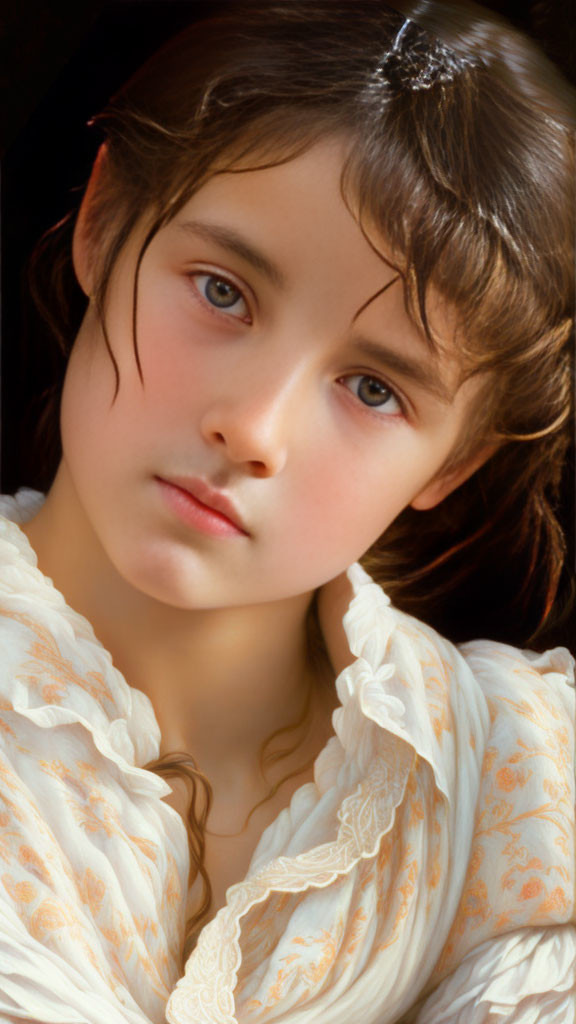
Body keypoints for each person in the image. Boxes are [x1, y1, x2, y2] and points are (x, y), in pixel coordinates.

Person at [0, 1, 574, 1021]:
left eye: (373, 389)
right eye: (222, 291)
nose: (254, 429)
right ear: (103, 223)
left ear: (456, 459)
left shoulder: (514, 777)